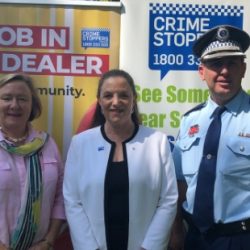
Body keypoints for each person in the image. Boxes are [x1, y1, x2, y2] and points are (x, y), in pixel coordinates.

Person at [63, 69, 178, 250]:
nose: (116, 102)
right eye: (108, 95)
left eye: (123, 95)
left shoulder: (158, 142)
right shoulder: (80, 144)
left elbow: (168, 200)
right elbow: (72, 200)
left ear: (134, 100)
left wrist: (149, 247)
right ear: (100, 102)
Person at [169, 25, 250, 250]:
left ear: (243, 69)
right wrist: (176, 231)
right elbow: (179, 183)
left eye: (232, 63)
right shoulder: (189, 121)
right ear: (202, 72)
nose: (224, 71)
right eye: (216, 64)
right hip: (194, 238)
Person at [0, 73, 65, 250]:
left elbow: (60, 197)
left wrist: (49, 241)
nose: (15, 105)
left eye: (22, 99)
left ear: (32, 105)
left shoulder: (47, 144)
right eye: (7, 98)